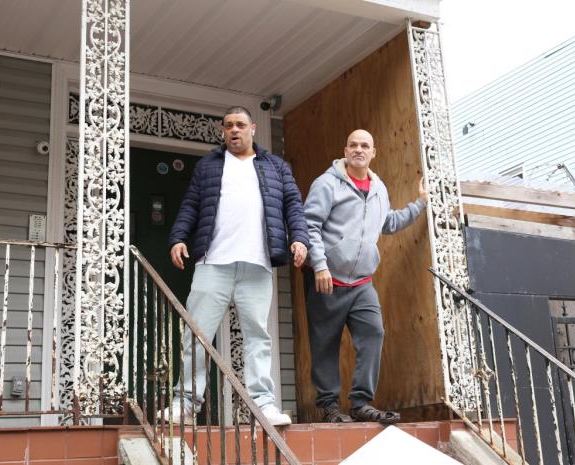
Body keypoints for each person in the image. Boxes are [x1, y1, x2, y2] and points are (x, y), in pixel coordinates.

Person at [166, 106, 309, 426]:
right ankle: (186, 404)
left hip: (257, 266)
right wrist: (178, 237)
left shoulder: (276, 166)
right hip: (212, 263)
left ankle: (263, 406)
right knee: (197, 335)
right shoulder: (208, 166)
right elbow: (191, 204)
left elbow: (293, 206)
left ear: (253, 128)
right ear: (222, 131)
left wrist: (299, 238)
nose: (234, 130)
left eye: (240, 125)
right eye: (228, 125)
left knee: (258, 337)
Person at [303, 129, 428, 423]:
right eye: (353, 145)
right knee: (325, 344)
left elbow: (389, 223)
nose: (359, 150)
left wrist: (421, 203)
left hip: (361, 282)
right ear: (345, 151)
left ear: (374, 152)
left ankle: (360, 403)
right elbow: (310, 226)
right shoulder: (326, 184)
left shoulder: (379, 189)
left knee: (373, 333)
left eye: (365, 146)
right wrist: (319, 264)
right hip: (327, 278)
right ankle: (329, 407)